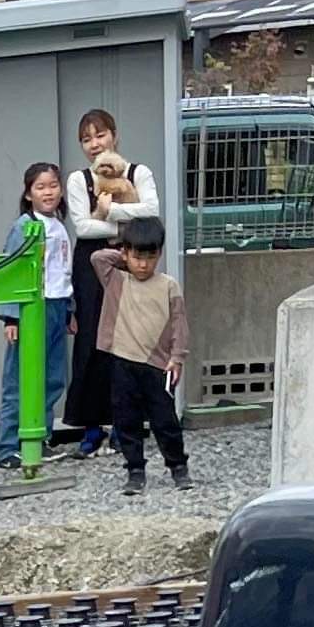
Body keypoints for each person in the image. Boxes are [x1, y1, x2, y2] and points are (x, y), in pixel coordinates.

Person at [58, 108, 162, 453]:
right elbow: (83, 227)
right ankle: (91, 426)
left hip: (131, 263)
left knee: (130, 340)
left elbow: (153, 210)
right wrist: (125, 225)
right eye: (86, 139)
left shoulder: (139, 171)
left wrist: (110, 212)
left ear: (114, 135)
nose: (94, 144)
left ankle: (126, 422)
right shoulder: (78, 180)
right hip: (91, 266)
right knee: (90, 341)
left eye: (100, 135)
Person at [95, 213, 193, 497]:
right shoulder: (116, 279)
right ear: (125, 253)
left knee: (165, 420)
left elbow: (179, 324)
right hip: (121, 361)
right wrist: (122, 252)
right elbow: (98, 258)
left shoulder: (168, 285)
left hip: (158, 365)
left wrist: (178, 357)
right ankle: (135, 470)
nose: (142, 264)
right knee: (126, 419)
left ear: (160, 254)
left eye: (150, 257)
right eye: (136, 256)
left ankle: (178, 466)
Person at [0, 159, 75, 469]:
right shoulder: (24, 227)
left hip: (56, 307)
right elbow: (11, 272)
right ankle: (8, 447)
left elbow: (62, 272)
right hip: (29, 310)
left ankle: (40, 438)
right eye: (40, 187)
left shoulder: (60, 226)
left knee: (52, 378)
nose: (48, 192)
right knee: (18, 381)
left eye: (53, 185)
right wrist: (11, 317)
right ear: (29, 194)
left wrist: (69, 310)